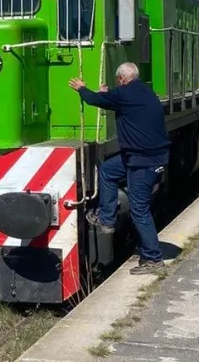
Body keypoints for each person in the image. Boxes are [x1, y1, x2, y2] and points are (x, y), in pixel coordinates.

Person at [69, 62, 170, 275]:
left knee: (139, 210)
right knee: (107, 170)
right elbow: (112, 99)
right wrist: (108, 94)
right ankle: (107, 218)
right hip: (142, 157)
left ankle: (154, 259)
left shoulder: (125, 94)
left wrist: (81, 88)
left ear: (122, 79)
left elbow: (96, 100)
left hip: (143, 162)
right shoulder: (145, 92)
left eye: (118, 82)